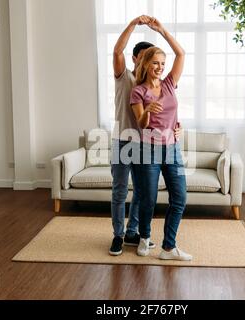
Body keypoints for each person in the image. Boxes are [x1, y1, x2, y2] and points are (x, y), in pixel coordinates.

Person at [131, 18, 192, 261]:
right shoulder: (138, 91)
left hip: (173, 150)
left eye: (163, 63)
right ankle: (144, 237)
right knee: (148, 199)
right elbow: (141, 124)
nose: (160, 67)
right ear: (146, 64)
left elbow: (181, 53)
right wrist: (148, 111)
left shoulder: (169, 84)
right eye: (155, 63)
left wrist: (161, 30)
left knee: (180, 198)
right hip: (150, 151)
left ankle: (169, 247)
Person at [109, 15, 156, 256]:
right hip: (122, 141)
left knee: (141, 191)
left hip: (146, 144)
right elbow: (117, 50)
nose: (148, 63)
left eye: (152, 60)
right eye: (145, 58)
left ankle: (132, 232)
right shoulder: (123, 76)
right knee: (119, 191)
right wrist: (134, 23)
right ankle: (117, 235)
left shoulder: (152, 85)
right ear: (135, 59)